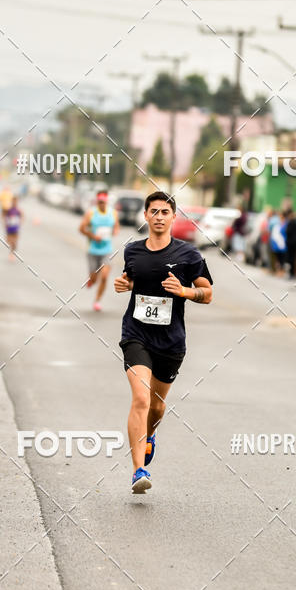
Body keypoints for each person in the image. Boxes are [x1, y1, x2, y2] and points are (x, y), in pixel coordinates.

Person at [113, 191, 213, 493]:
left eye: (164, 212)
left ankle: (150, 435)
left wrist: (184, 291)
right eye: (153, 211)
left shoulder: (189, 255)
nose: (158, 217)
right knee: (141, 399)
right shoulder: (132, 251)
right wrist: (126, 283)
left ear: (173, 217)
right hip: (136, 334)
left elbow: (207, 294)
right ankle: (138, 471)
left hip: (170, 341)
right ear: (145, 215)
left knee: (156, 407)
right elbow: (135, 278)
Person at [79, 189, 119, 311]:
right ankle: (91, 280)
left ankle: (97, 301)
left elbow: (116, 226)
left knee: (105, 276)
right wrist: (93, 236)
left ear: (106, 201)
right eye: (99, 201)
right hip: (93, 250)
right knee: (94, 278)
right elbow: (81, 229)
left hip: (107, 250)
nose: (101, 203)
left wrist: (115, 231)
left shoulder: (113, 213)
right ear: (97, 201)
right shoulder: (91, 213)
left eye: (103, 201)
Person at [284, 208, 296, 279]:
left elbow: (287, 231)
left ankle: (291, 273)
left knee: (290, 258)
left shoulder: (290, 222)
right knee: (295, 258)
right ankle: (295, 273)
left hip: (290, 243)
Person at [3, 196, 23, 260]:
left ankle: (12, 253)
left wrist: (19, 222)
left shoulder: (18, 210)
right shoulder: (8, 210)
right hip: (9, 227)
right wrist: (6, 223)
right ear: (12, 202)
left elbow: (22, 217)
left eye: (16, 202)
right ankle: (12, 251)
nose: (14, 203)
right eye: (13, 201)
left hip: (15, 227)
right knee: (8, 241)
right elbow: (4, 216)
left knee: (14, 242)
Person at [268, 209, 286, 275]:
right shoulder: (279, 223)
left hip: (280, 243)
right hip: (278, 243)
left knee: (280, 257)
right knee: (278, 257)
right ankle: (277, 270)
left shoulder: (282, 223)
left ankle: (280, 270)